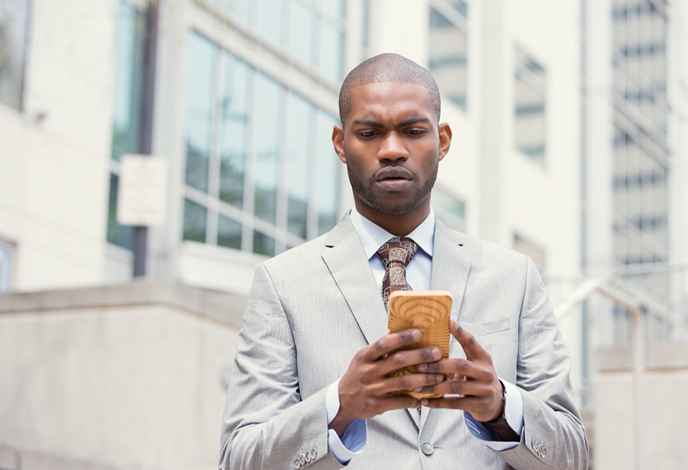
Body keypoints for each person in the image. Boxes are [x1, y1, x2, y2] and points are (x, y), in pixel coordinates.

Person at [219, 53, 589, 470]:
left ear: (443, 140)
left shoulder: (514, 278)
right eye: (370, 132)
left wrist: (502, 406)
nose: (392, 150)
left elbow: (572, 456)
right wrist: (338, 406)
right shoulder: (282, 282)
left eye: (413, 131)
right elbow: (239, 459)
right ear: (341, 143)